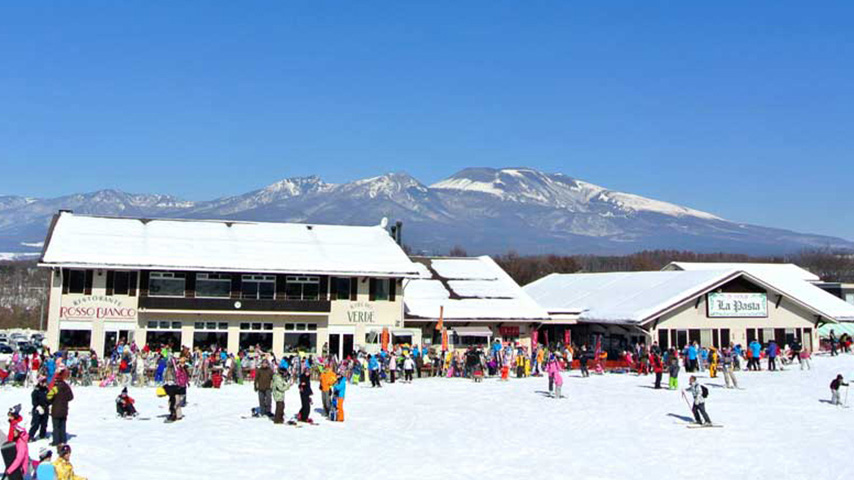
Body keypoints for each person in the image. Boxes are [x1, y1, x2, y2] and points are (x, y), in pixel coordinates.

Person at [47, 368, 74, 446]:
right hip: (64, 409)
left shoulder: (55, 388)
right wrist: (64, 399)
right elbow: (71, 397)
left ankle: (56, 441)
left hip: (55, 409)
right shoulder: (66, 386)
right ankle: (63, 440)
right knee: (63, 426)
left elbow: (49, 398)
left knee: (56, 427)